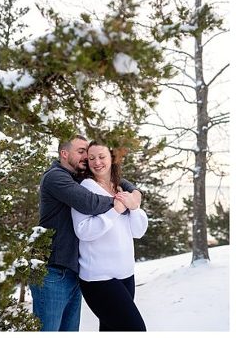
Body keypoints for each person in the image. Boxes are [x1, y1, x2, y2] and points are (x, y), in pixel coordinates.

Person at [30, 135, 142, 331]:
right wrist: (120, 201)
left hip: (73, 270)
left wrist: (134, 193)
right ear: (64, 154)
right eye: (82, 152)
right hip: (52, 269)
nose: (86, 157)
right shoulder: (55, 177)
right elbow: (88, 202)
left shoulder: (77, 176)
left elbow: (112, 178)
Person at [71, 140, 148, 331]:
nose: (97, 162)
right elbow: (83, 230)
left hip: (126, 274)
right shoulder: (84, 190)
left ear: (112, 159)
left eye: (102, 156)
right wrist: (114, 211)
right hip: (98, 278)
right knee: (135, 330)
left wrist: (134, 208)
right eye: (91, 158)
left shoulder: (121, 189)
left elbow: (138, 232)